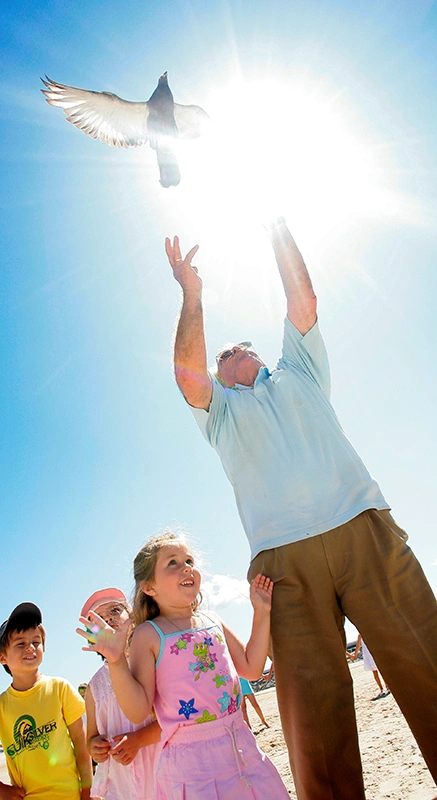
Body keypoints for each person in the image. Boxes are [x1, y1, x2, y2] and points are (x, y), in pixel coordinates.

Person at [165, 221, 437, 800]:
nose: (233, 351)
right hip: (282, 563)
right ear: (219, 374)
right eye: (224, 353)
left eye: (242, 345)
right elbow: (187, 373)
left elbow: (303, 300)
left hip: (362, 526)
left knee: (427, 663)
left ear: (263, 354)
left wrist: (276, 225)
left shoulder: (300, 371)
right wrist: (192, 295)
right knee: (315, 721)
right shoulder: (221, 413)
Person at [77, 531, 290, 800]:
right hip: (191, 765)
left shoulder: (212, 620)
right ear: (149, 587)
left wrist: (261, 611)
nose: (186, 567)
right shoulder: (148, 634)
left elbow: (251, 667)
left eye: (189, 560)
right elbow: (138, 710)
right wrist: (116, 660)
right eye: (173, 563)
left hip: (241, 748)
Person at [0, 602, 92, 800]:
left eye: (36, 641)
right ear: (2, 657)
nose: (30, 647)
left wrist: (87, 791)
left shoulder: (60, 688)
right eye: (20, 643)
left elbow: (81, 742)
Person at [80, 587, 161, 799]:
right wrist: (94, 747)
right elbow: (90, 738)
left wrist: (139, 740)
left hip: (161, 766)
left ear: (132, 617)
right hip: (122, 780)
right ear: (92, 637)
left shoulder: (151, 661)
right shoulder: (94, 688)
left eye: (115, 610)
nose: (108, 620)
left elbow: (174, 718)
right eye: (99, 620)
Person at [350, 635, 390, 700]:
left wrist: (355, 655)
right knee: (379, 671)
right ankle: (387, 687)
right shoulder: (364, 634)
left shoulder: (360, 635)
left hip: (369, 654)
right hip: (373, 652)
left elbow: (358, 646)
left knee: (375, 672)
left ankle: (382, 689)